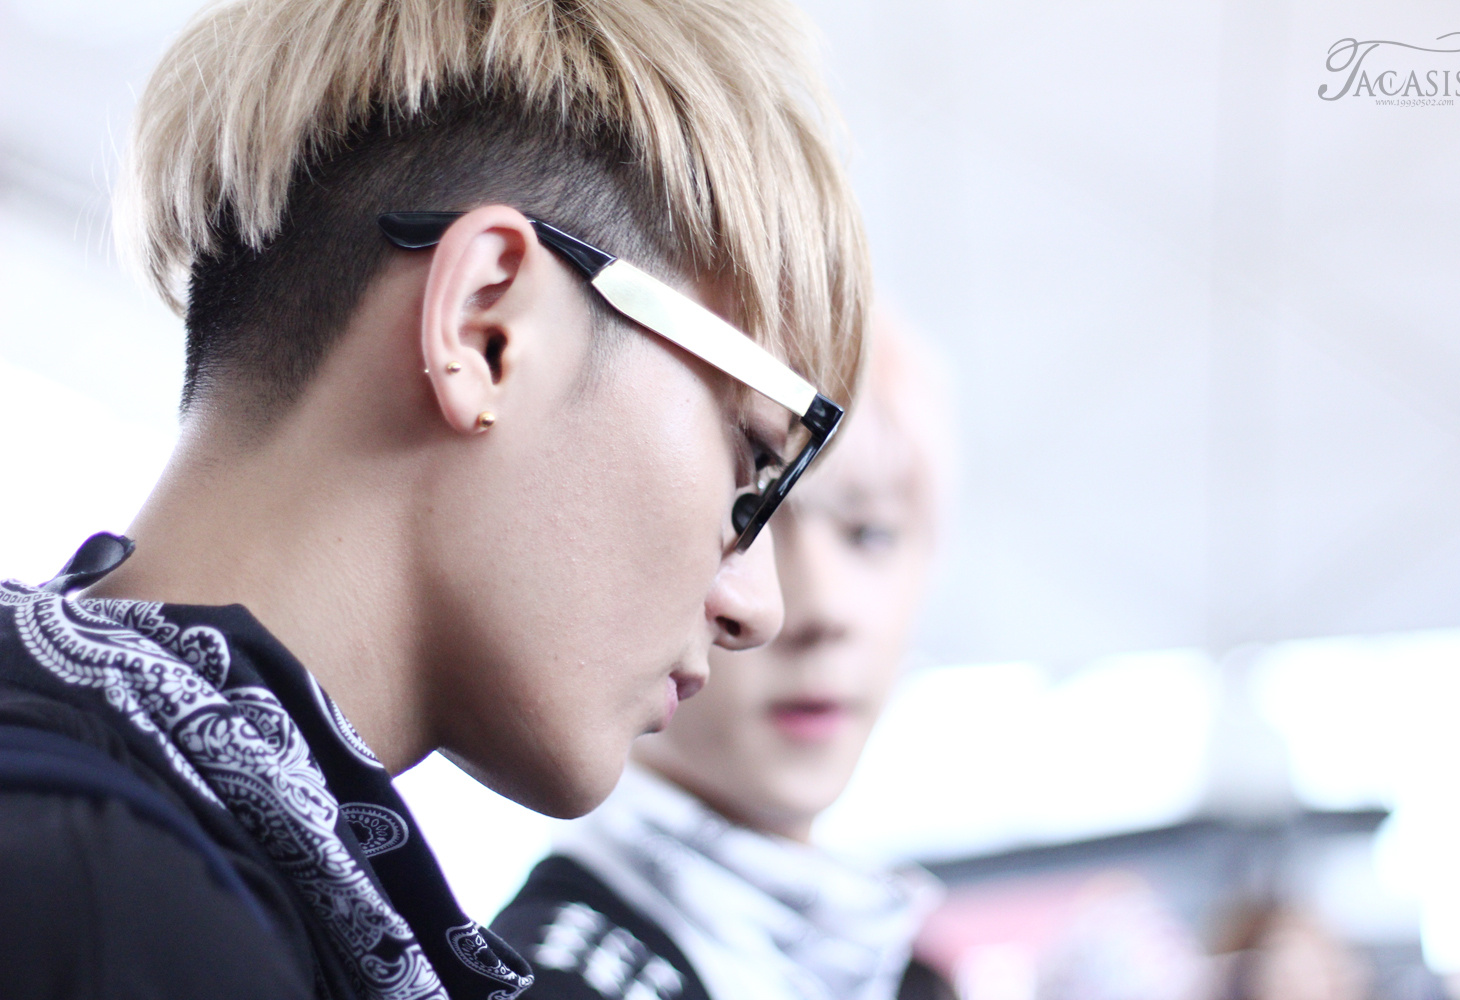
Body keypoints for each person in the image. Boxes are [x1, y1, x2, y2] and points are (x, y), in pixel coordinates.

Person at [0, 0, 867, 996]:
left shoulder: (121, 854)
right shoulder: (115, 908)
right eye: (753, 463)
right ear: (483, 331)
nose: (759, 607)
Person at [493, 319, 956, 1000]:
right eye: (747, 516)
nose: (820, 608)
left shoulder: (900, 973)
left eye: (870, 534)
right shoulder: (559, 982)